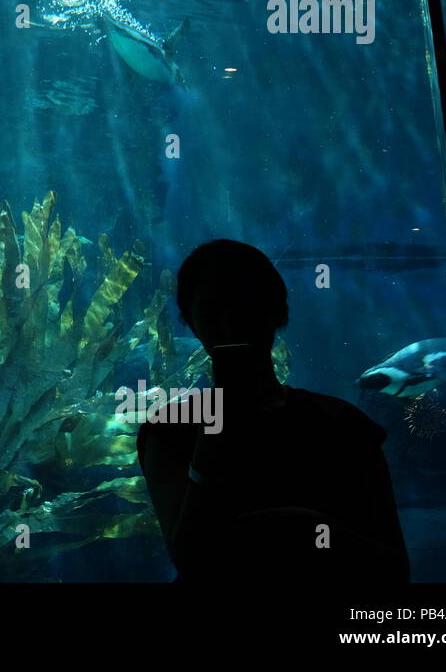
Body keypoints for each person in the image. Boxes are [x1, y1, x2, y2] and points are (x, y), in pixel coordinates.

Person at [136, 239, 410, 583]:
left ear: (278, 313)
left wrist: (285, 525)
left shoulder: (344, 425)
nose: (229, 326)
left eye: (243, 309)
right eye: (211, 313)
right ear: (191, 325)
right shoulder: (169, 429)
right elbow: (191, 557)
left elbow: (392, 567)